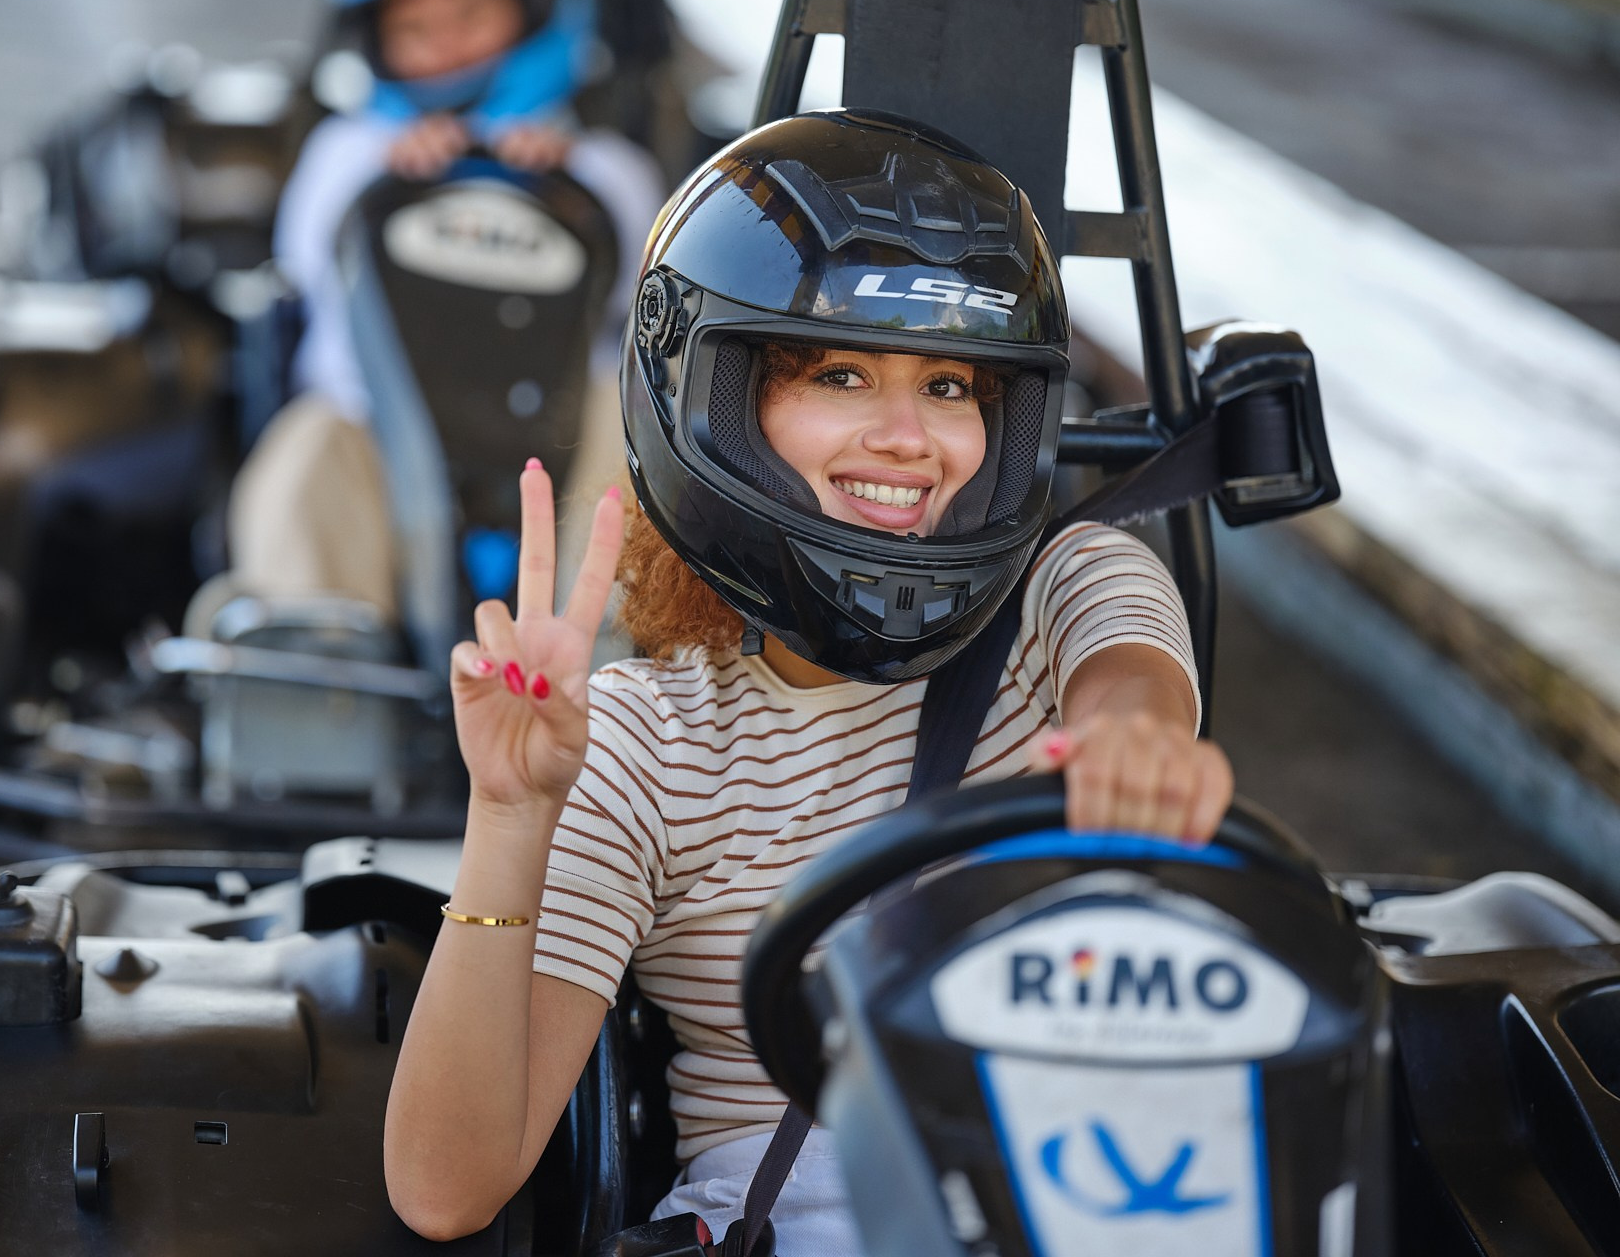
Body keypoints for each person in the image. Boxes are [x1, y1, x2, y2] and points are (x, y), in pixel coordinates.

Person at [383, 111, 1233, 1252]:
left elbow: (1127, 689)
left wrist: (1132, 752)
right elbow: (446, 1189)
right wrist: (508, 813)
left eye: (950, 387)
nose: (908, 438)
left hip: (1091, 1193)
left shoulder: (1060, 600)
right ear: (721, 409)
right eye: (838, 373)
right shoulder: (640, 743)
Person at [226, 0, 665, 621]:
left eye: (470, 16)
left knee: (634, 445)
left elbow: (652, 304)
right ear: (375, 45)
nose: (446, 46)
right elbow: (305, 260)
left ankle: (601, 666)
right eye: (415, 31)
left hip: (555, 448)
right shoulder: (350, 155)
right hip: (382, 451)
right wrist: (391, 176)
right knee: (306, 448)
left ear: (534, 5)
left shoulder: (606, 170)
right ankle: (320, 657)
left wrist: (559, 190)